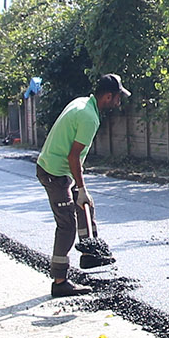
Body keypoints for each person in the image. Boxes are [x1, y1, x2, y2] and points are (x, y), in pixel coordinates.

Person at [36, 74, 129, 296]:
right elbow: (73, 156)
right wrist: (81, 187)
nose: (119, 102)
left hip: (60, 170)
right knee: (67, 224)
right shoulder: (89, 118)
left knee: (86, 206)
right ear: (108, 96)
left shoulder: (82, 103)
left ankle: (89, 254)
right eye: (118, 98)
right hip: (53, 173)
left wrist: (80, 189)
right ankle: (59, 281)